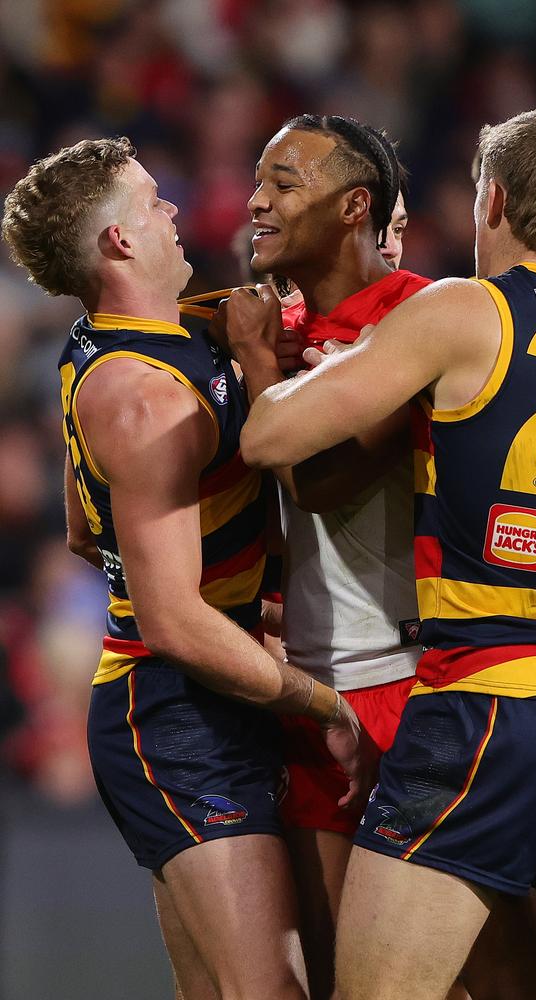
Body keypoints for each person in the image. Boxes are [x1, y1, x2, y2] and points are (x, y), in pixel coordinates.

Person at [235, 107, 536, 1000]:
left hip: (492, 703)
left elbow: (272, 442)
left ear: (492, 198)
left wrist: (262, 364)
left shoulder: (461, 308)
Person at [1, 136, 375, 1000]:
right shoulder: (141, 396)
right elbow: (169, 618)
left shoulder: (121, 341)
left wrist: (245, 603)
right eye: (153, 201)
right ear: (120, 243)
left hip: (205, 685)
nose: (174, 212)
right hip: (174, 716)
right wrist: (324, 701)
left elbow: (83, 533)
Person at [218, 113, 439, 1000]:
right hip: (315, 684)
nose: (255, 200)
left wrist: (258, 371)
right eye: (257, 178)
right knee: (339, 972)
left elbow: (322, 484)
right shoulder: (284, 321)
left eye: (283, 181)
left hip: (413, 684)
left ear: (356, 207)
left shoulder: (421, 316)